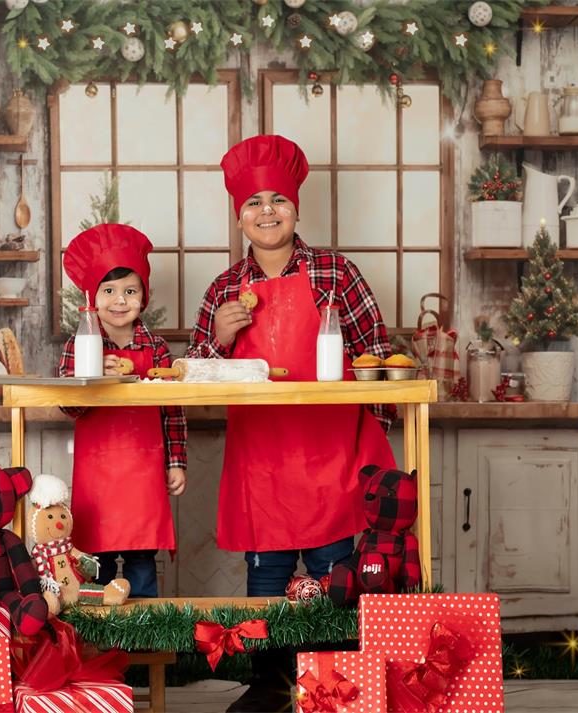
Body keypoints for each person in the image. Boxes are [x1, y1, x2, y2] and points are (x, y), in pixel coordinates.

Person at [186, 134, 398, 711]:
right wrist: (221, 339)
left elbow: (375, 353)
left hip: (332, 459)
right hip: (263, 465)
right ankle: (269, 695)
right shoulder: (224, 289)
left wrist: (377, 451)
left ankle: (337, 693)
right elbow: (195, 379)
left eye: (277, 199)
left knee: (338, 582)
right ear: (239, 217)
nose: (267, 212)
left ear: (296, 207)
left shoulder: (336, 272)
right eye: (254, 203)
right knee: (266, 593)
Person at [59, 223, 187, 598]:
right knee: (95, 565)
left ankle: (147, 647)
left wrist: (176, 461)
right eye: (109, 291)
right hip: (97, 477)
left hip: (144, 476)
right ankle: (103, 651)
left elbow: (173, 408)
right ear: (91, 298)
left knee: (142, 564)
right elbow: (68, 405)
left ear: (143, 296)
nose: (119, 300)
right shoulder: (80, 343)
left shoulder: (158, 348)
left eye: (130, 291)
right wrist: (92, 374)